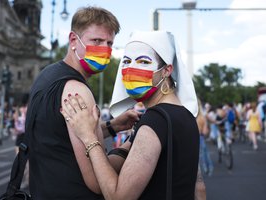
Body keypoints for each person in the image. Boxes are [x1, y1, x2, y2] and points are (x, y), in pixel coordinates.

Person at [61, 30, 200, 199]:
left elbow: (118, 197)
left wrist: (89, 137)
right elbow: (199, 188)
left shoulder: (155, 121)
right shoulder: (186, 115)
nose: (132, 68)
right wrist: (127, 140)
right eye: (126, 61)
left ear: (166, 71)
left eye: (143, 61)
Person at [26, 6, 140, 199]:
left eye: (109, 43)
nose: (105, 49)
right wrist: (131, 145)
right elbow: (97, 181)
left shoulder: (48, 75)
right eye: (96, 40)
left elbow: (60, 136)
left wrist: (113, 126)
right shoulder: (77, 91)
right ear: (73, 40)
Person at [196, 99, 213, 177]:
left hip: (191, 138)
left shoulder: (187, 116)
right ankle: (208, 168)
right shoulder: (202, 117)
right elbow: (205, 132)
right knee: (204, 153)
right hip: (200, 137)